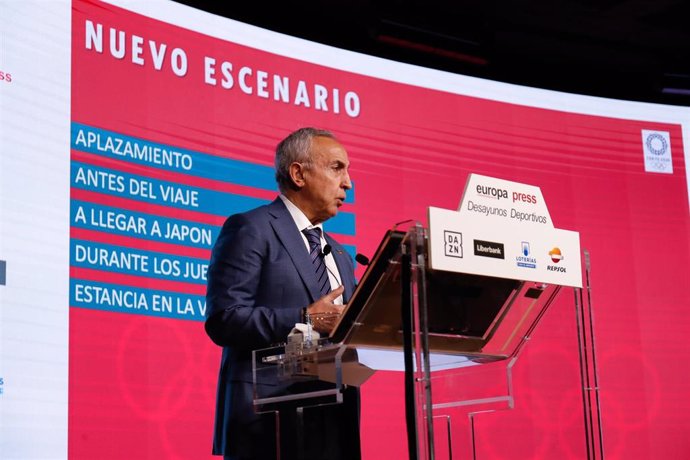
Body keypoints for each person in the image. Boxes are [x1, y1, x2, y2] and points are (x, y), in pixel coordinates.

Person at [205, 127, 361, 460]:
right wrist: (305, 319)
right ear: (298, 173)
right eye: (337, 168)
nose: (348, 182)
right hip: (267, 426)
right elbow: (224, 319)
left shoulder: (342, 255)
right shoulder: (251, 228)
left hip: (334, 427)